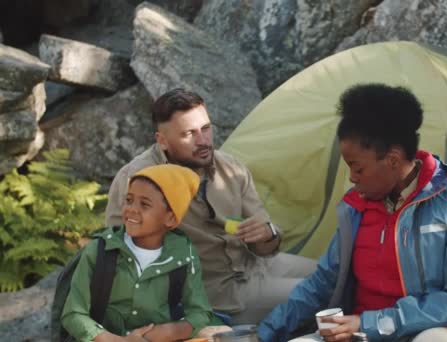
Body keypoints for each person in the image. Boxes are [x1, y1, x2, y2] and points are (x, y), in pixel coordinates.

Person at [257, 84, 447, 341]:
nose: (352, 178)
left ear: (393, 160)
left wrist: (371, 323)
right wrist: (263, 334)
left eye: (358, 169)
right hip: (362, 332)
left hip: (440, 329)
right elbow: (322, 283)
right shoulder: (355, 209)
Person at [105, 88, 317, 324]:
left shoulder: (231, 168)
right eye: (189, 134)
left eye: (206, 129)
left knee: (333, 276)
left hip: (256, 266)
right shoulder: (137, 181)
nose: (203, 141)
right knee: (321, 294)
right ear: (162, 141)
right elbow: (120, 259)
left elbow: (267, 244)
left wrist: (267, 234)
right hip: (215, 296)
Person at [62, 164, 221, 341]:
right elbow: (73, 314)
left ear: (171, 218)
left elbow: (200, 313)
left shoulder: (184, 255)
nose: (132, 209)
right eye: (129, 200)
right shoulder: (99, 251)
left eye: (144, 204)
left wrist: (169, 332)